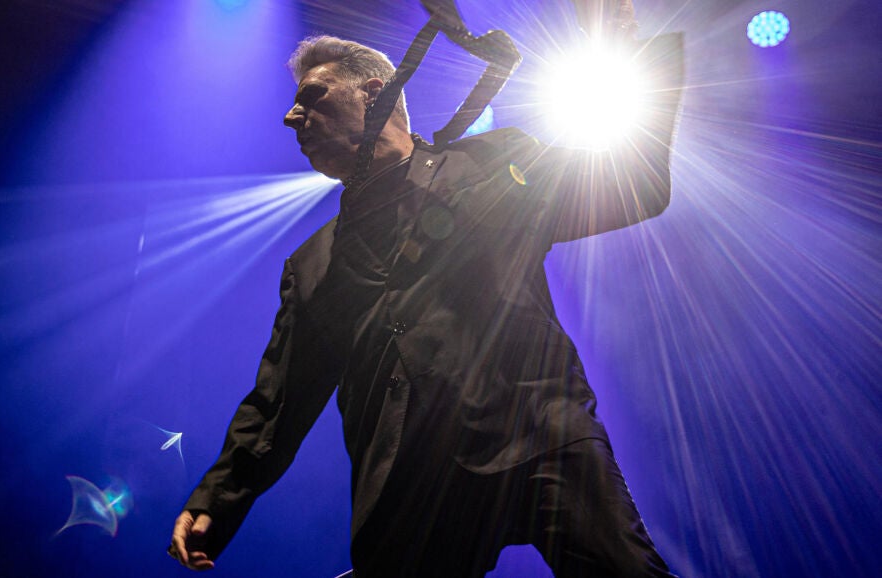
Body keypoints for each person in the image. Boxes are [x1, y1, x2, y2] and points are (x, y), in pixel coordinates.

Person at [169, 1, 684, 575]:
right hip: (406, 482)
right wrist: (218, 497)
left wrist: (622, 37)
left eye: (312, 96)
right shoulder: (312, 264)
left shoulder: (492, 164)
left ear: (374, 92)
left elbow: (637, 182)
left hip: (535, 429)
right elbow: (280, 400)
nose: (292, 117)